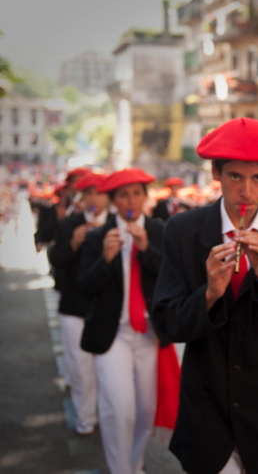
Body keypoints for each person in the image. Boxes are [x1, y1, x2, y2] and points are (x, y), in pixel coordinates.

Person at [152, 118, 258, 474]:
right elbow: (166, 323)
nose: (246, 192)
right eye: (235, 176)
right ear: (216, 173)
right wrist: (210, 293)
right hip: (206, 412)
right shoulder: (183, 230)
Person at [77, 168, 179, 474]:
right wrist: (105, 259)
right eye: (123, 195)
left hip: (148, 332)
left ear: (146, 197)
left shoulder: (160, 230)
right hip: (113, 334)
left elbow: (172, 278)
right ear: (112, 201)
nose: (130, 200)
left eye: (136, 193)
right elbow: (83, 285)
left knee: (145, 411)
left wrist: (147, 249)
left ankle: (134, 464)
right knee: (119, 409)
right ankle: (120, 468)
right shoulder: (98, 235)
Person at [48, 172, 110, 436]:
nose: (93, 198)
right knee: (80, 367)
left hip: (106, 308)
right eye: (88, 193)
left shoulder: (116, 226)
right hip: (74, 306)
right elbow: (56, 260)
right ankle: (86, 418)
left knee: (106, 370)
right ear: (82, 198)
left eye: (98, 192)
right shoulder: (69, 224)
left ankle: (106, 415)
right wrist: (73, 243)